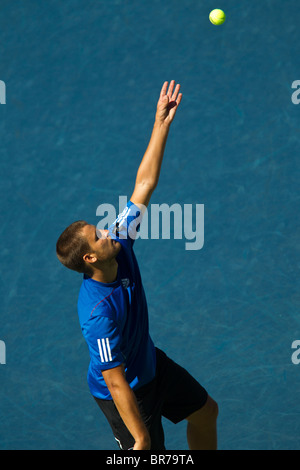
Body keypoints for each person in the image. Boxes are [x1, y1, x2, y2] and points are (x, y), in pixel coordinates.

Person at [56, 80, 218, 450]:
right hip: (124, 395)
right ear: (90, 258)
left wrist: (161, 123)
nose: (108, 231)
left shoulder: (121, 242)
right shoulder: (97, 313)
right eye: (99, 236)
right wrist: (140, 437)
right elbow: (114, 380)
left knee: (206, 411)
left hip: (150, 365)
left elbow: (144, 184)